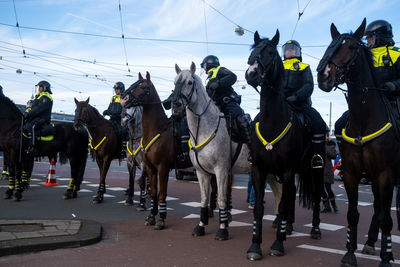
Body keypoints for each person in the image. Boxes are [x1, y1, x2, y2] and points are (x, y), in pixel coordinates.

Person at [336, 19, 400, 134]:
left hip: (393, 101)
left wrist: (393, 85)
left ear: (380, 36)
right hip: (367, 103)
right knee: (340, 124)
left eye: (370, 37)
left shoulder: (397, 53)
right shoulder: (363, 56)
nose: (367, 40)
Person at [282, 40, 327, 168]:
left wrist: (296, 96)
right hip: (281, 103)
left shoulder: (304, 66)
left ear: (298, 52)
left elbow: (308, 85)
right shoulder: (278, 66)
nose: (289, 51)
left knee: (319, 123)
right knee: (257, 120)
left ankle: (317, 156)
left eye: (292, 49)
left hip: (299, 103)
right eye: (287, 49)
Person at [200, 55, 252, 144]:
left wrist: (219, 83)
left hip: (228, 102)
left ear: (210, 64)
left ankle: (251, 144)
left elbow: (232, 77)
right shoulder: (209, 79)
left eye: (204, 65)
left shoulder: (219, 69)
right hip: (217, 106)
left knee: (240, 117)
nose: (204, 68)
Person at [23, 81, 53, 154]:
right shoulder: (39, 96)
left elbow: (39, 109)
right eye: (38, 87)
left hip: (43, 118)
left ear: (45, 88)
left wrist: (28, 114)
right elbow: (32, 107)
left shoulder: (46, 96)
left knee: (32, 126)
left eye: (40, 86)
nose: (39, 88)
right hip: (37, 118)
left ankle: (32, 147)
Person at [103, 82, 128, 157]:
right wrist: (106, 111)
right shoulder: (113, 98)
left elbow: (125, 109)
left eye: (117, 89)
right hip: (112, 119)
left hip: (120, 119)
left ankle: (122, 149)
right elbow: (109, 109)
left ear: (121, 89)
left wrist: (120, 115)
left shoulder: (125, 97)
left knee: (122, 132)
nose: (116, 90)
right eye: (115, 89)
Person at [321, 131, 339, 213]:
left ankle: (334, 206)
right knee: (321, 189)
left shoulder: (331, 145)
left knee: (328, 188)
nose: (325, 137)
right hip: (320, 169)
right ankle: (327, 207)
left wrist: (327, 151)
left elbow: (334, 156)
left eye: (325, 136)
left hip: (327, 170)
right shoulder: (319, 144)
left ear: (328, 137)